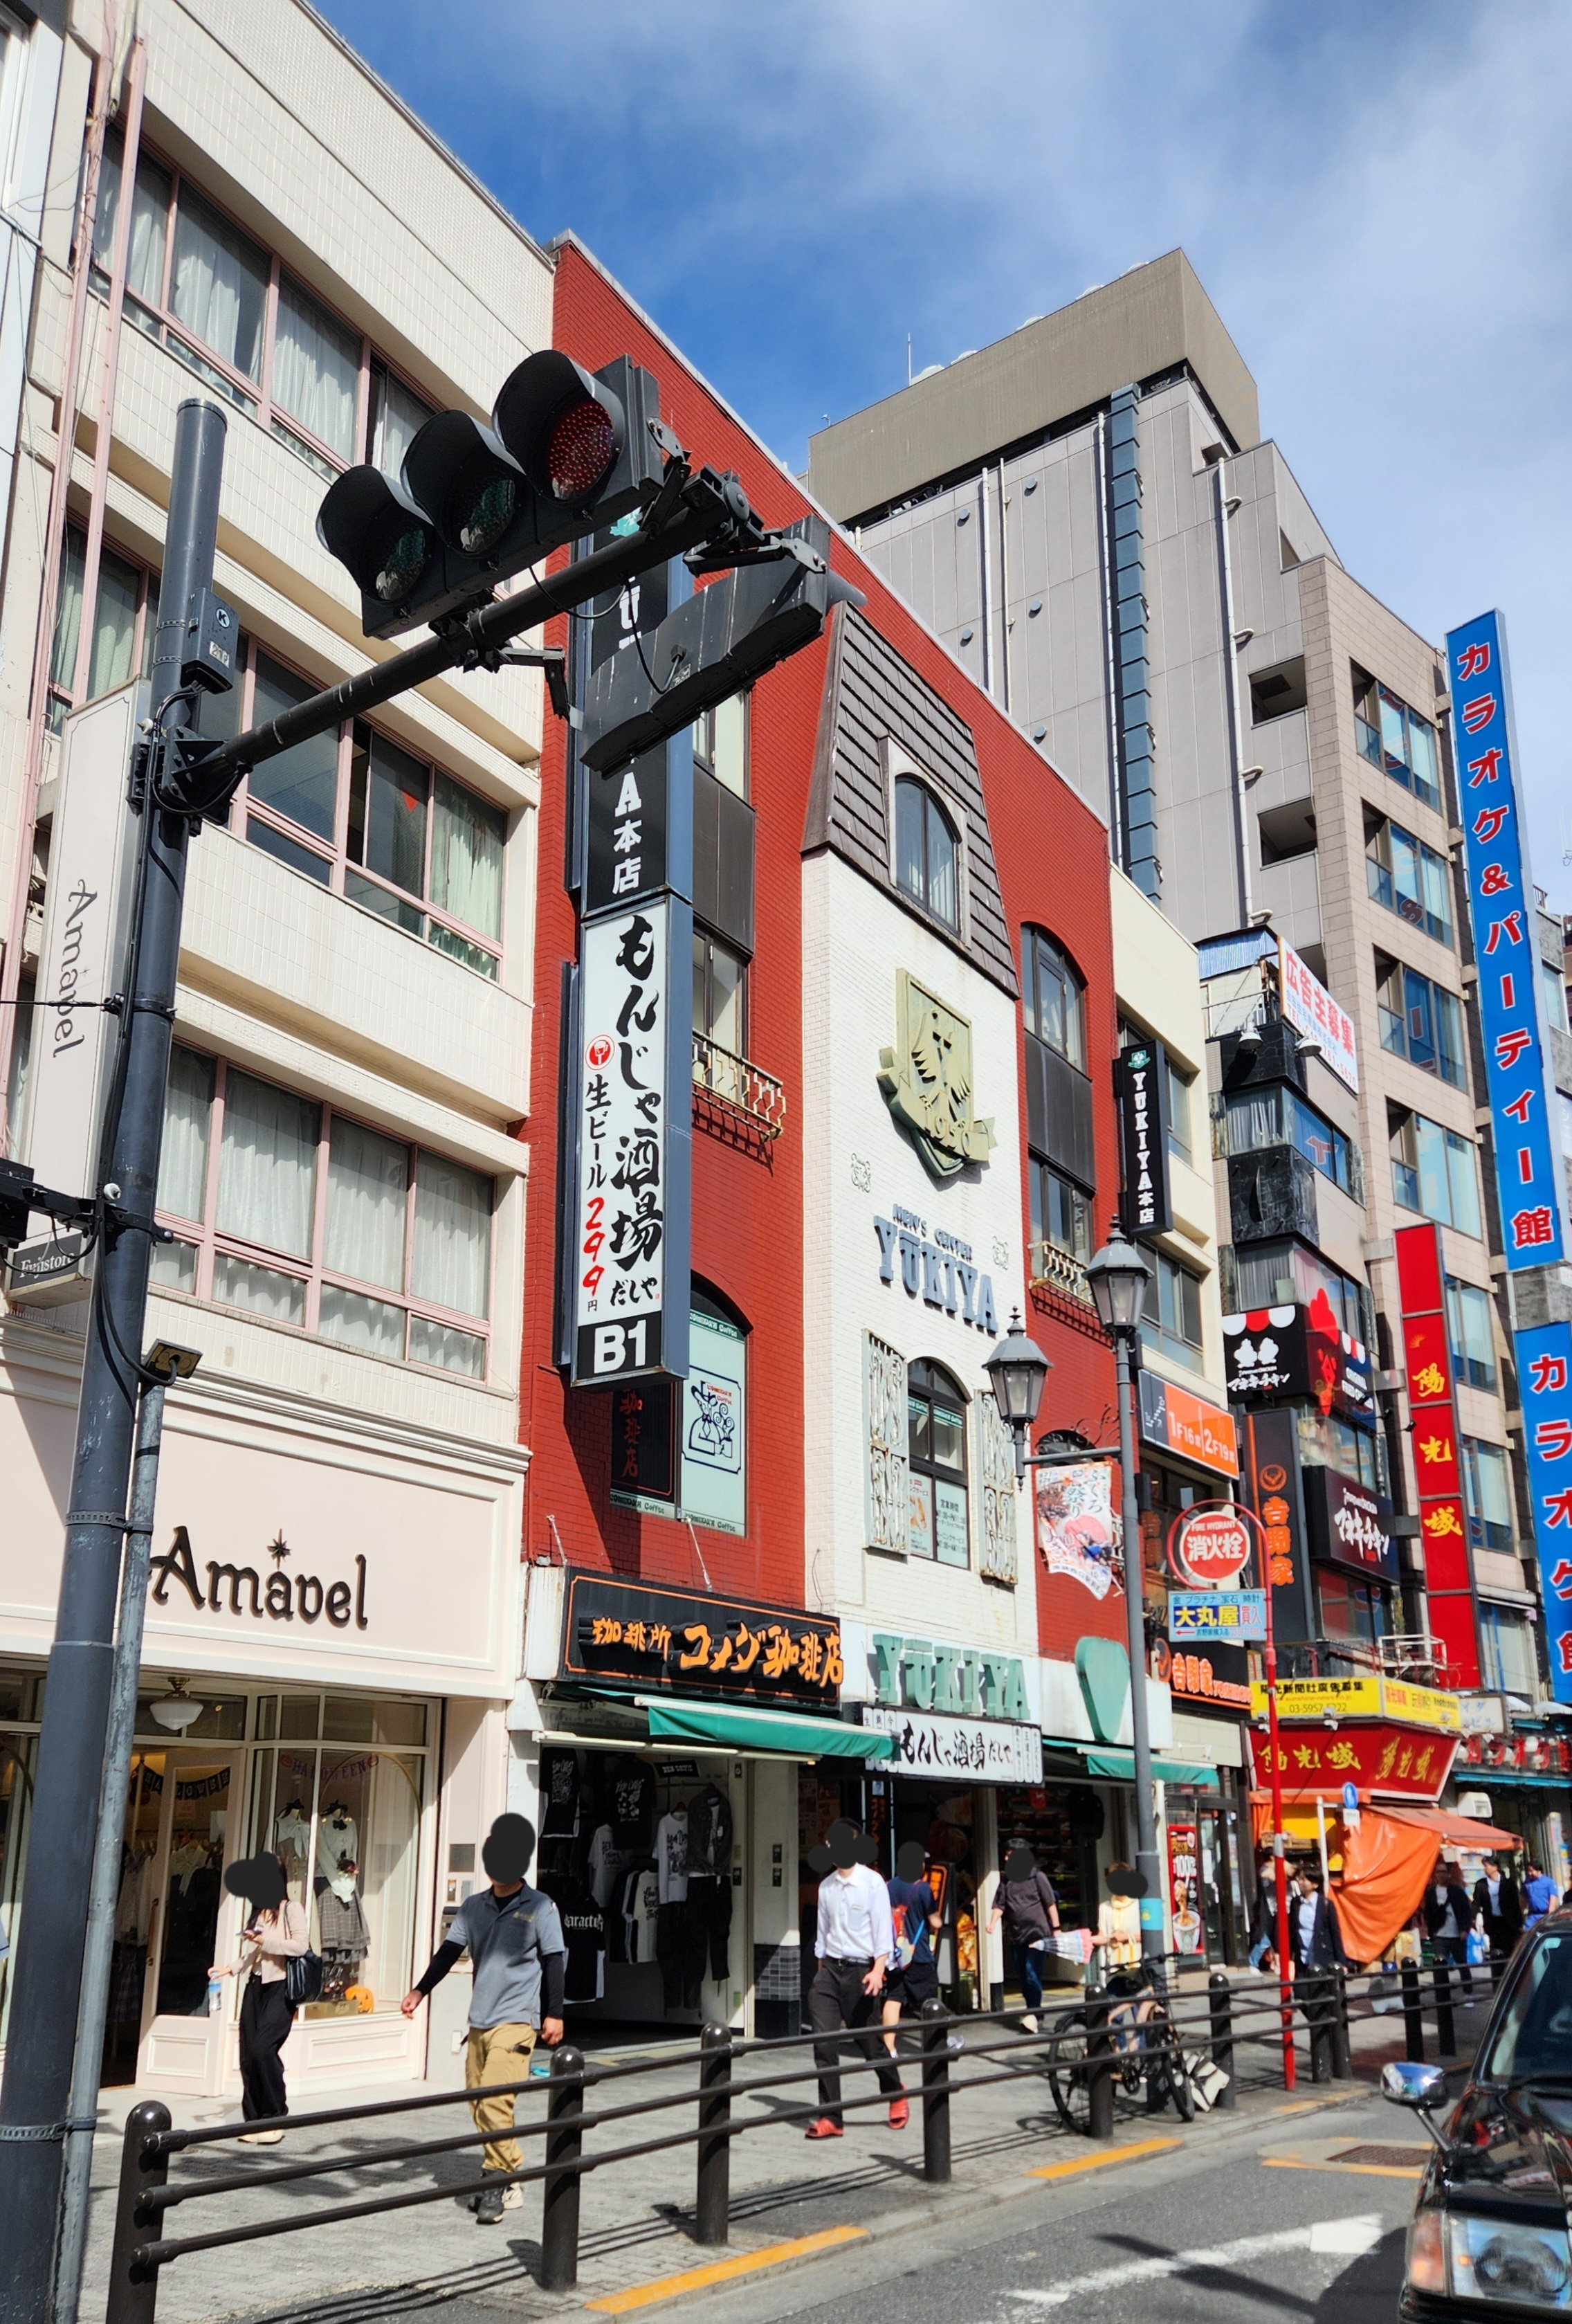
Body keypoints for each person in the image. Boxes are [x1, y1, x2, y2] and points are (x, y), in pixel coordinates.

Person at [402, 1814, 566, 2224]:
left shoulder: (541, 1906)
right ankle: (508, 2171)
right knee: (478, 2103)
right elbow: (447, 1953)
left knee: (495, 2098)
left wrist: (555, 2012)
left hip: (517, 2019)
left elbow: (554, 1960)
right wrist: (420, 1991)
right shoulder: (473, 1907)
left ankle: (495, 2181)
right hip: (480, 2018)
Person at [806, 1819, 906, 2139]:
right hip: (829, 1973)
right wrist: (821, 1976)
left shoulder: (872, 1882)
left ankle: (894, 2090)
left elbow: (883, 1932)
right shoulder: (826, 1887)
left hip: (862, 1973)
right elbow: (823, 1935)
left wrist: (878, 1970)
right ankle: (831, 2117)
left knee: (872, 2046)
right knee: (823, 2044)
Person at [209, 1853, 311, 2144]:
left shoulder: (292, 1909)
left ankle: (275, 2116)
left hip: (281, 1987)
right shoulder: (259, 1911)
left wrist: (264, 1940)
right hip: (255, 1986)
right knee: (247, 2055)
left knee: (263, 2049)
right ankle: (253, 2121)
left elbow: (300, 1946)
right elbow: (254, 1954)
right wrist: (229, 1968)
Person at [987, 1842, 1061, 2033]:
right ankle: (1034, 2011)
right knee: (1023, 1975)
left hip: (1037, 1934)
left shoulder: (1037, 1876)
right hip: (1017, 1935)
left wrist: (1057, 1929)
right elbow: (1000, 1904)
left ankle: (1033, 2015)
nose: (1005, 1859)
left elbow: (1050, 1904)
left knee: (1031, 1972)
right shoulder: (1006, 1880)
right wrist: (992, 1923)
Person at [881, 1841, 941, 2062]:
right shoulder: (923, 1888)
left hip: (896, 1955)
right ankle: (935, 2046)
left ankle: (889, 2048)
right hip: (919, 1955)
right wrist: (939, 1921)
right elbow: (935, 1920)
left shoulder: (889, 1886)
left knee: (894, 1998)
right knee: (930, 2002)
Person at [1423, 1862, 1477, 2008]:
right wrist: (1432, 1931)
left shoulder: (1457, 1891)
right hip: (1440, 1934)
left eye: (1443, 1872)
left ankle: (1468, 1994)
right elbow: (1428, 1912)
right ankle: (1443, 1996)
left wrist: (1465, 1929)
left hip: (1457, 1935)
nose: (1441, 1875)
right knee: (1440, 1967)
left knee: (1462, 1964)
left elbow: (1466, 1911)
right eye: (1438, 1872)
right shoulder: (1431, 1892)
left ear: (1449, 1874)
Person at [1473, 1853, 1524, 1972]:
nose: (1485, 1869)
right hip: (1492, 1922)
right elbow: (1476, 1903)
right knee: (1495, 1953)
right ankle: (1497, 1981)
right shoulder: (1481, 1885)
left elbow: (1515, 1906)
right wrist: (1477, 1915)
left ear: (1495, 1867)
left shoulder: (1508, 1884)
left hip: (1508, 1923)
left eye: (1487, 1866)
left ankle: (1510, 1980)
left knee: (1509, 1953)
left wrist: (1519, 1924)